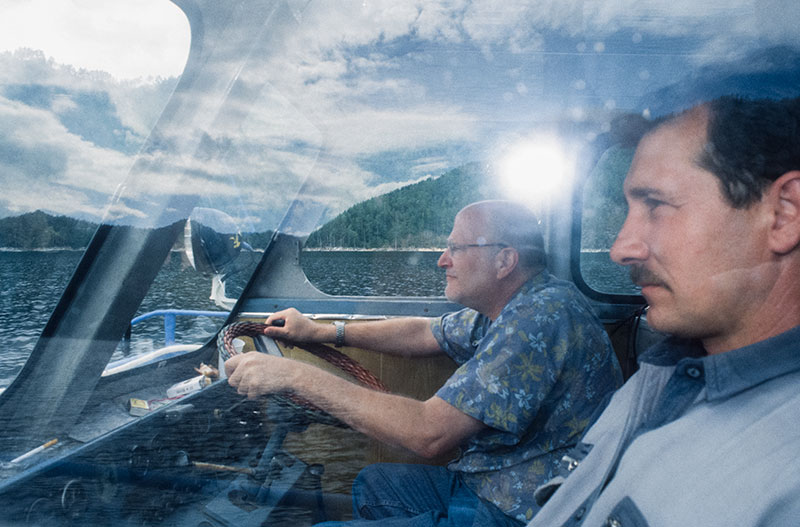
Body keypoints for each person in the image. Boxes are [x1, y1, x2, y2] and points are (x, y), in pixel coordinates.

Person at [225, 200, 622, 526]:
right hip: (491, 480)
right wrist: (323, 332)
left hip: (525, 511)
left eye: (457, 249)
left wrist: (295, 375)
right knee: (376, 483)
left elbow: (429, 435)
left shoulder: (541, 318)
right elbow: (425, 333)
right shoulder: (508, 306)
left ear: (504, 260)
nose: (441, 260)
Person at [529, 96, 800, 526]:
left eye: (655, 205)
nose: (621, 248)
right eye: (628, 211)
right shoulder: (661, 375)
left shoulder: (787, 478)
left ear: (785, 215)